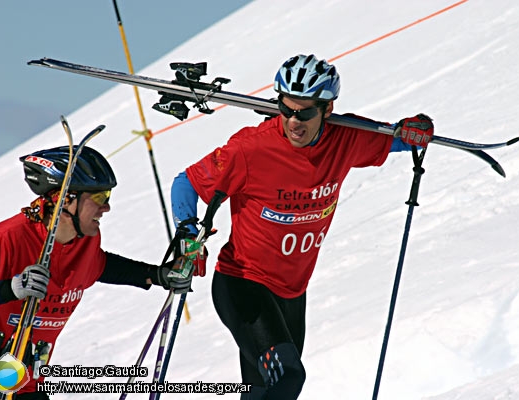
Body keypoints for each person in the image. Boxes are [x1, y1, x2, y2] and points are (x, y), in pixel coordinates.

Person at [170, 53, 434, 399]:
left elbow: (403, 136)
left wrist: (421, 124)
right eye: (286, 109)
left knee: (262, 392)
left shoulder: (347, 137)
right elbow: (185, 183)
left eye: (305, 112)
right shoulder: (251, 149)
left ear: (327, 109)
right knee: (289, 378)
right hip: (242, 284)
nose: (294, 122)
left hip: (292, 294)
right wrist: (189, 233)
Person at [0, 145, 191, 399]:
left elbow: (98, 265)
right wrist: (10, 289)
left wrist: (155, 275)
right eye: (100, 198)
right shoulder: (7, 240)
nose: (107, 208)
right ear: (64, 199)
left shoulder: (85, 241)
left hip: (25, 384)